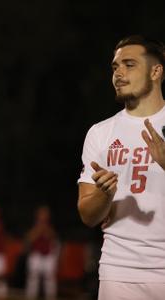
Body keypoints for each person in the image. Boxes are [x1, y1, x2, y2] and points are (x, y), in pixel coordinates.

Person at [78, 35, 165, 300]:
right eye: (115, 67)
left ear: (156, 71)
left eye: (129, 65)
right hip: (119, 270)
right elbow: (88, 215)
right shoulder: (100, 132)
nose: (119, 74)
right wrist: (104, 194)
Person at [25, 205, 59, 300]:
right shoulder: (35, 225)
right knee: (33, 278)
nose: (43, 216)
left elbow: (54, 239)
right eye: (41, 214)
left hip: (48, 255)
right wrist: (39, 230)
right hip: (36, 255)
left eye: (45, 214)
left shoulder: (50, 226)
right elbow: (29, 240)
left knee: (49, 278)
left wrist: (46, 230)